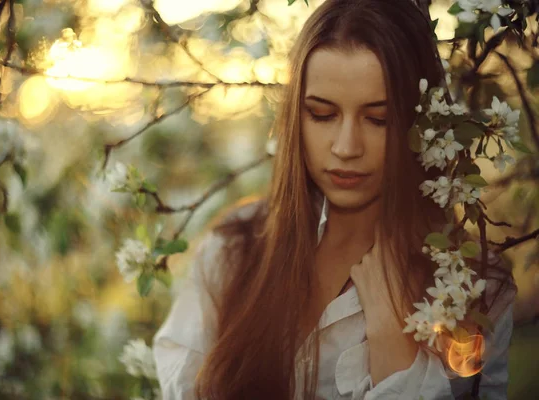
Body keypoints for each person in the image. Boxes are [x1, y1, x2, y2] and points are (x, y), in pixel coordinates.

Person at [153, 0, 517, 399]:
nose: (346, 147)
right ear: (296, 117)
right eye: (322, 114)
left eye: (378, 119)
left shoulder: (474, 289)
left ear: (423, 124)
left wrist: (393, 343)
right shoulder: (233, 251)